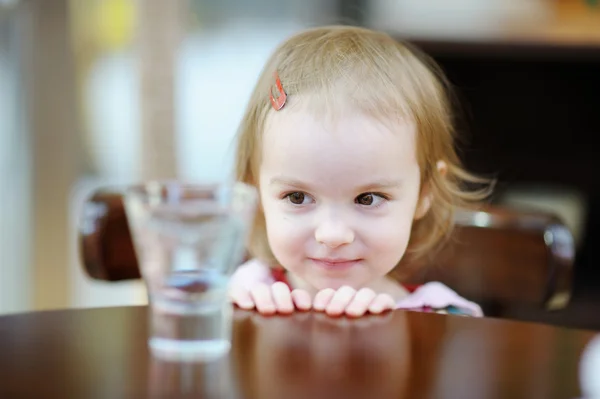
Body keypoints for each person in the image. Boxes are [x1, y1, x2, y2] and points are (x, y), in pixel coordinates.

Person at [228, 25, 491, 318]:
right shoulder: (239, 292)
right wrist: (236, 324)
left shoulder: (441, 319)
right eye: (298, 197)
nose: (333, 234)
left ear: (424, 193)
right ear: (256, 193)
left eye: (368, 198)